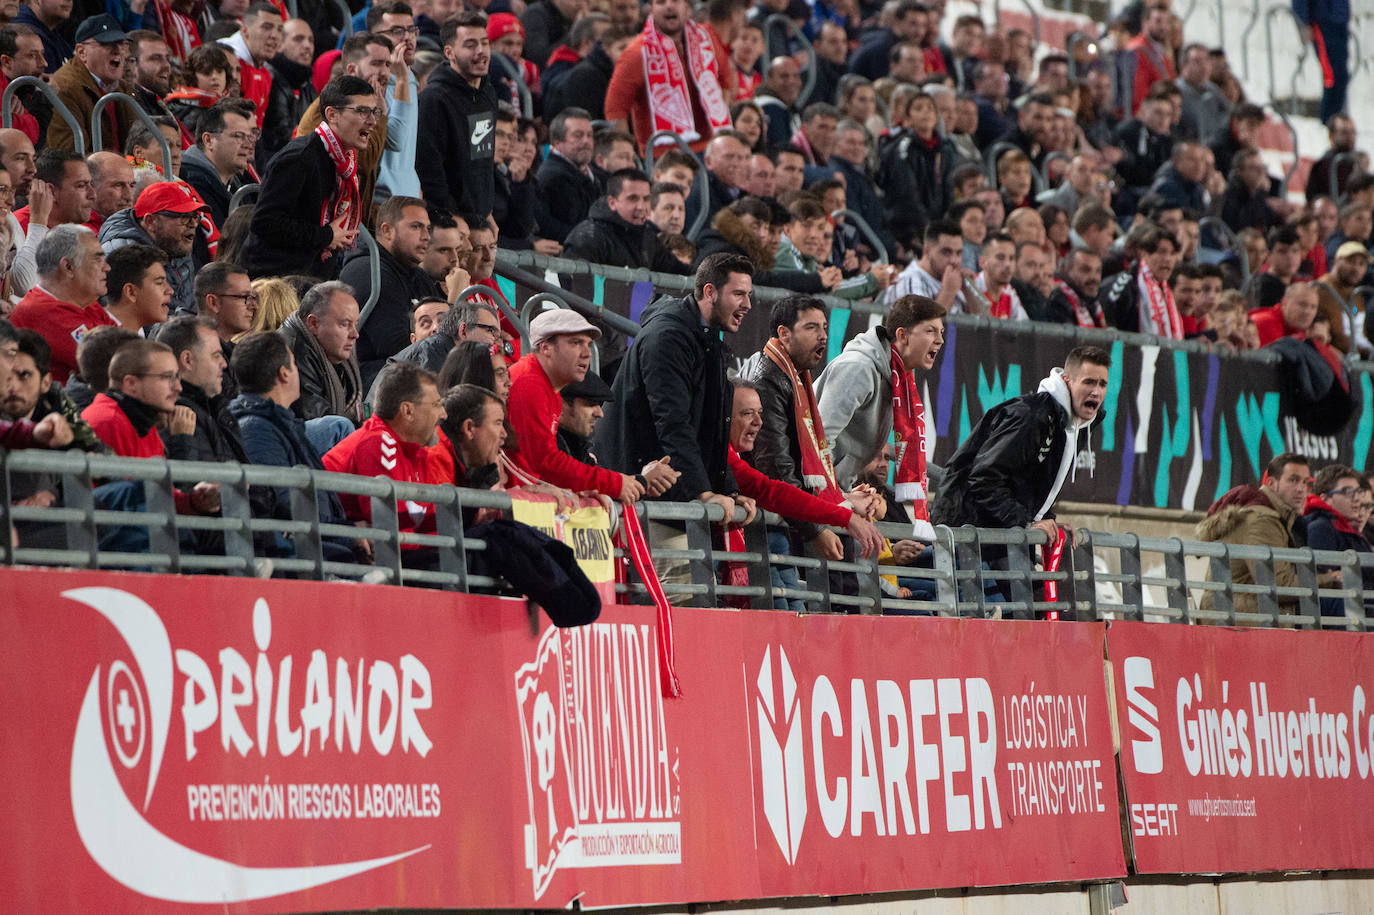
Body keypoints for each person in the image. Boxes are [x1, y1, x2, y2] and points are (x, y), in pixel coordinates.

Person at [596, 253, 757, 592]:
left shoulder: (707, 337)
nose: (748, 305)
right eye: (739, 294)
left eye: (750, 295)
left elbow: (711, 431)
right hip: (650, 498)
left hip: (672, 495)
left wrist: (727, 489)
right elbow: (673, 423)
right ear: (710, 291)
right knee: (684, 595)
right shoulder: (668, 336)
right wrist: (703, 493)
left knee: (698, 595)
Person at [932, 345, 1111, 593]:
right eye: (1089, 382)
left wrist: (1047, 519)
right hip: (973, 531)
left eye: (1102, 384)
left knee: (1044, 607)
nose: (1096, 391)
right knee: (1034, 608)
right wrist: (1026, 522)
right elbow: (983, 478)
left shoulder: (1075, 423)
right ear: (1067, 381)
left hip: (1004, 529)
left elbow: (1030, 481)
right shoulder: (1032, 416)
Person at [227, 331, 372, 566]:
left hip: (323, 545)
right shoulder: (256, 429)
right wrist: (348, 534)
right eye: (294, 365)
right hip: (309, 556)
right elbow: (289, 506)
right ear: (284, 374)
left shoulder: (281, 424)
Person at [509, 308, 679, 501]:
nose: (587, 353)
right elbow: (546, 463)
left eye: (588, 344)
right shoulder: (529, 383)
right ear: (545, 348)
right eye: (576, 343)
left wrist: (604, 486)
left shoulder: (547, 388)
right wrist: (616, 483)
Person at [815, 295, 944, 534]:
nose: (940, 340)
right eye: (931, 331)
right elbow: (818, 440)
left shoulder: (897, 377)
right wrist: (839, 497)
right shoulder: (859, 368)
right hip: (812, 497)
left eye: (941, 332)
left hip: (833, 495)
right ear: (903, 335)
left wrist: (849, 493)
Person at [241, 76, 377, 278]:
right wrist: (326, 236)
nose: (372, 121)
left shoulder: (343, 160)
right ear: (332, 114)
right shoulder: (300, 157)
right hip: (275, 282)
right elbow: (264, 222)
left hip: (311, 276)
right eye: (361, 111)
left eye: (374, 112)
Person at [323, 360, 445, 560]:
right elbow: (391, 530)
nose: (443, 413)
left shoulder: (417, 454)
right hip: (341, 559)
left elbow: (430, 523)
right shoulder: (378, 442)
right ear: (407, 411)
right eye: (436, 405)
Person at [604, 0, 731, 154]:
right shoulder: (636, 54)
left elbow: (725, 83)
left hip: (711, 150)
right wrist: (625, 156)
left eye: (676, 1)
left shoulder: (707, 40)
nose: (669, 6)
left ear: (688, 8)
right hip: (662, 158)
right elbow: (615, 110)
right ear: (651, 10)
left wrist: (719, 127)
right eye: (661, 2)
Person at [1196, 452, 1312, 619]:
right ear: (1272, 483)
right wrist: (1330, 580)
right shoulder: (1261, 520)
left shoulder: (1273, 516)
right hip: (1240, 625)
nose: (1301, 489)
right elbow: (1278, 586)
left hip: (1240, 618)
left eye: (1305, 482)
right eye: (1293, 480)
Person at [341, 195, 434, 383]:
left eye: (428, 228)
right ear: (387, 230)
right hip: (370, 380)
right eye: (416, 227)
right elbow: (396, 348)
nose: (426, 236)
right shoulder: (370, 271)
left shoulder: (416, 275)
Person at [415, 12, 498, 222]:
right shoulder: (433, 100)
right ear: (449, 52)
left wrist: (488, 213)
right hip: (449, 223)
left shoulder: (489, 93)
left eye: (485, 43)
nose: (481, 51)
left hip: (481, 218)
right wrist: (450, 217)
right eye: (470, 45)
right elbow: (429, 170)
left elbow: (484, 163)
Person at [9, 225, 115, 384]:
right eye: (97, 259)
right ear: (68, 267)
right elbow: (116, 365)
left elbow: (124, 347)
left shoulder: (85, 302)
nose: (107, 267)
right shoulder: (40, 312)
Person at [99, 180, 206, 315]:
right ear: (150, 221)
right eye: (184, 217)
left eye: (195, 217)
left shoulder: (176, 244)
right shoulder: (123, 254)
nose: (193, 224)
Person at [563, 168, 692, 274]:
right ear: (612, 202)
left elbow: (677, 270)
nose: (641, 207)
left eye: (646, 199)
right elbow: (575, 289)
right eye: (633, 199)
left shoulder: (648, 237)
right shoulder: (588, 237)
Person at [277, 280, 364, 426]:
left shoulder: (336, 350)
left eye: (355, 324)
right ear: (313, 324)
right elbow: (324, 427)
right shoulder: (292, 354)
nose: (355, 334)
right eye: (344, 324)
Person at [46, 15, 136, 154]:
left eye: (122, 44)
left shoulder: (124, 89)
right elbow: (70, 156)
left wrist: (140, 169)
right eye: (107, 44)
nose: (117, 50)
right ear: (82, 52)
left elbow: (139, 145)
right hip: (92, 173)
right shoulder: (64, 89)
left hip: (122, 171)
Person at [1303, 463, 1374, 620]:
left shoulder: (1346, 529)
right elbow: (1326, 582)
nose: (1357, 499)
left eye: (1358, 491)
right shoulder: (1321, 528)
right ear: (1325, 498)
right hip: (1343, 617)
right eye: (1347, 492)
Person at [179, 99, 255, 232]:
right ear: (209, 140)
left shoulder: (237, 183)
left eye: (252, 136)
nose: (249, 144)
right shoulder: (191, 186)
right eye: (239, 136)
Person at [0, 317, 74, 450]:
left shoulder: (57, 399)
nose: (12, 387)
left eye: (24, 375)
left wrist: (35, 433)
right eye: (6, 376)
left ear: (45, 382)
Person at [1100, 222, 1182, 337]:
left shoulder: (1167, 291)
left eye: (1172, 253)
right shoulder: (1124, 284)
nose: (1168, 259)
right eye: (1161, 252)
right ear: (1144, 254)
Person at [534, 107, 598, 243]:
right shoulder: (553, 177)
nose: (586, 141)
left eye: (590, 135)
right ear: (557, 142)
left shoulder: (592, 177)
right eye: (578, 135)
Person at [888, 218, 965, 311]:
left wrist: (969, 292)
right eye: (946, 252)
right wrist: (948, 293)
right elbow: (919, 324)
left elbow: (983, 322)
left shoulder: (954, 282)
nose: (954, 260)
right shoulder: (909, 279)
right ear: (926, 251)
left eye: (958, 253)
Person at [102, 243, 171, 333]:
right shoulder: (101, 343)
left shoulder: (135, 331)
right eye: (159, 283)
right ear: (131, 292)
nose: (170, 291)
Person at [1251, 281, 1320, 346]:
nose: (1307, 312)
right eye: (1302, 304)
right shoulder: (1266, 322)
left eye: (1313, 307)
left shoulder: (1303, 332)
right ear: (1284, 303)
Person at [86, 152, 136, 234]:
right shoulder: (81, 235)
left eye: (131, 185)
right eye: (118, 185)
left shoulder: (142, 224)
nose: (129, 196)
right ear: (92, 186)